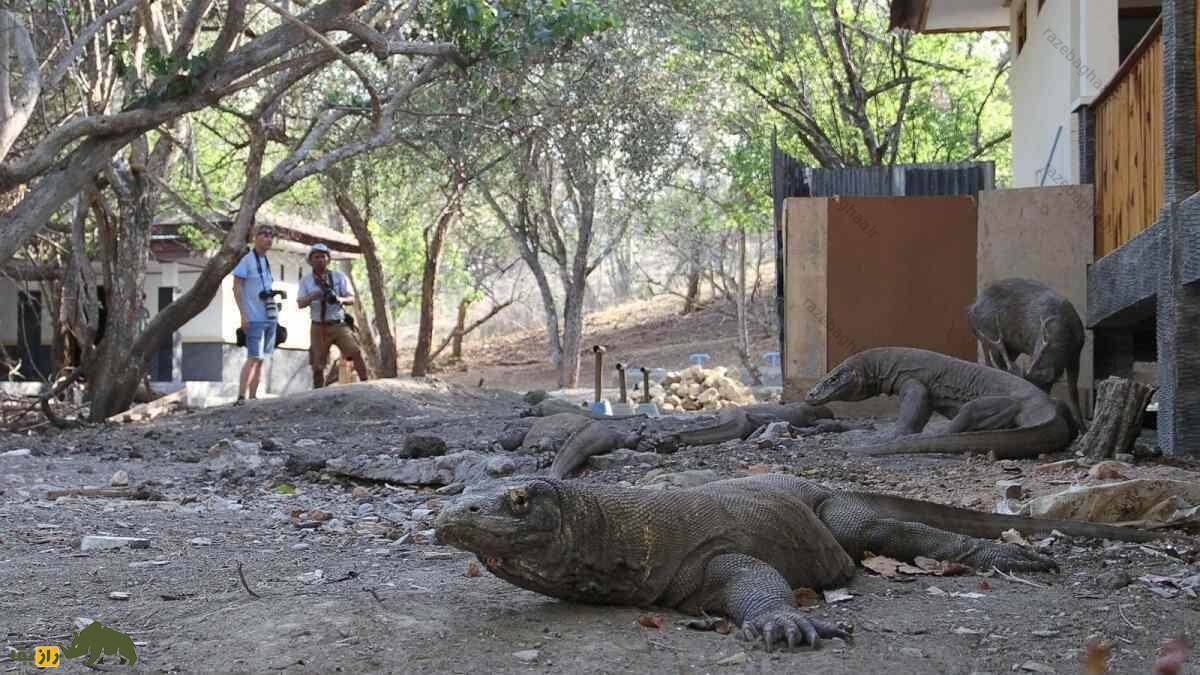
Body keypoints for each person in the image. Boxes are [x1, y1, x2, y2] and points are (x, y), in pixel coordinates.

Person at [298, 243, 368, 388]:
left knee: (355, 352)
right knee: (318, 364)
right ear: (311, 261)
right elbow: (300, 303)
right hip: (318, 326)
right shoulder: (306, 281)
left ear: (328, 259)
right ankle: (318, 393)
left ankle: (366, 385)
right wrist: (313, 296)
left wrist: (339, 299)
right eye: (316, 257)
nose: (320, 260)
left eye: (323, 257)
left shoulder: (339, 277)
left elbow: (352, 298)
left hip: (338, 323)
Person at [231, 224, 279, 405]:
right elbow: (236, 287)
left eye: (270, 236)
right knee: (253, 357)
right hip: (254, 317)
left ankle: (253, 397)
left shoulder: (266, 261)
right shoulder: (247, 261)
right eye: (264, 235)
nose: (268, 238)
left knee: (262, 359)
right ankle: (241, 397)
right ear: (255, 237)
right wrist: (243, 315)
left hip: (269, 316)